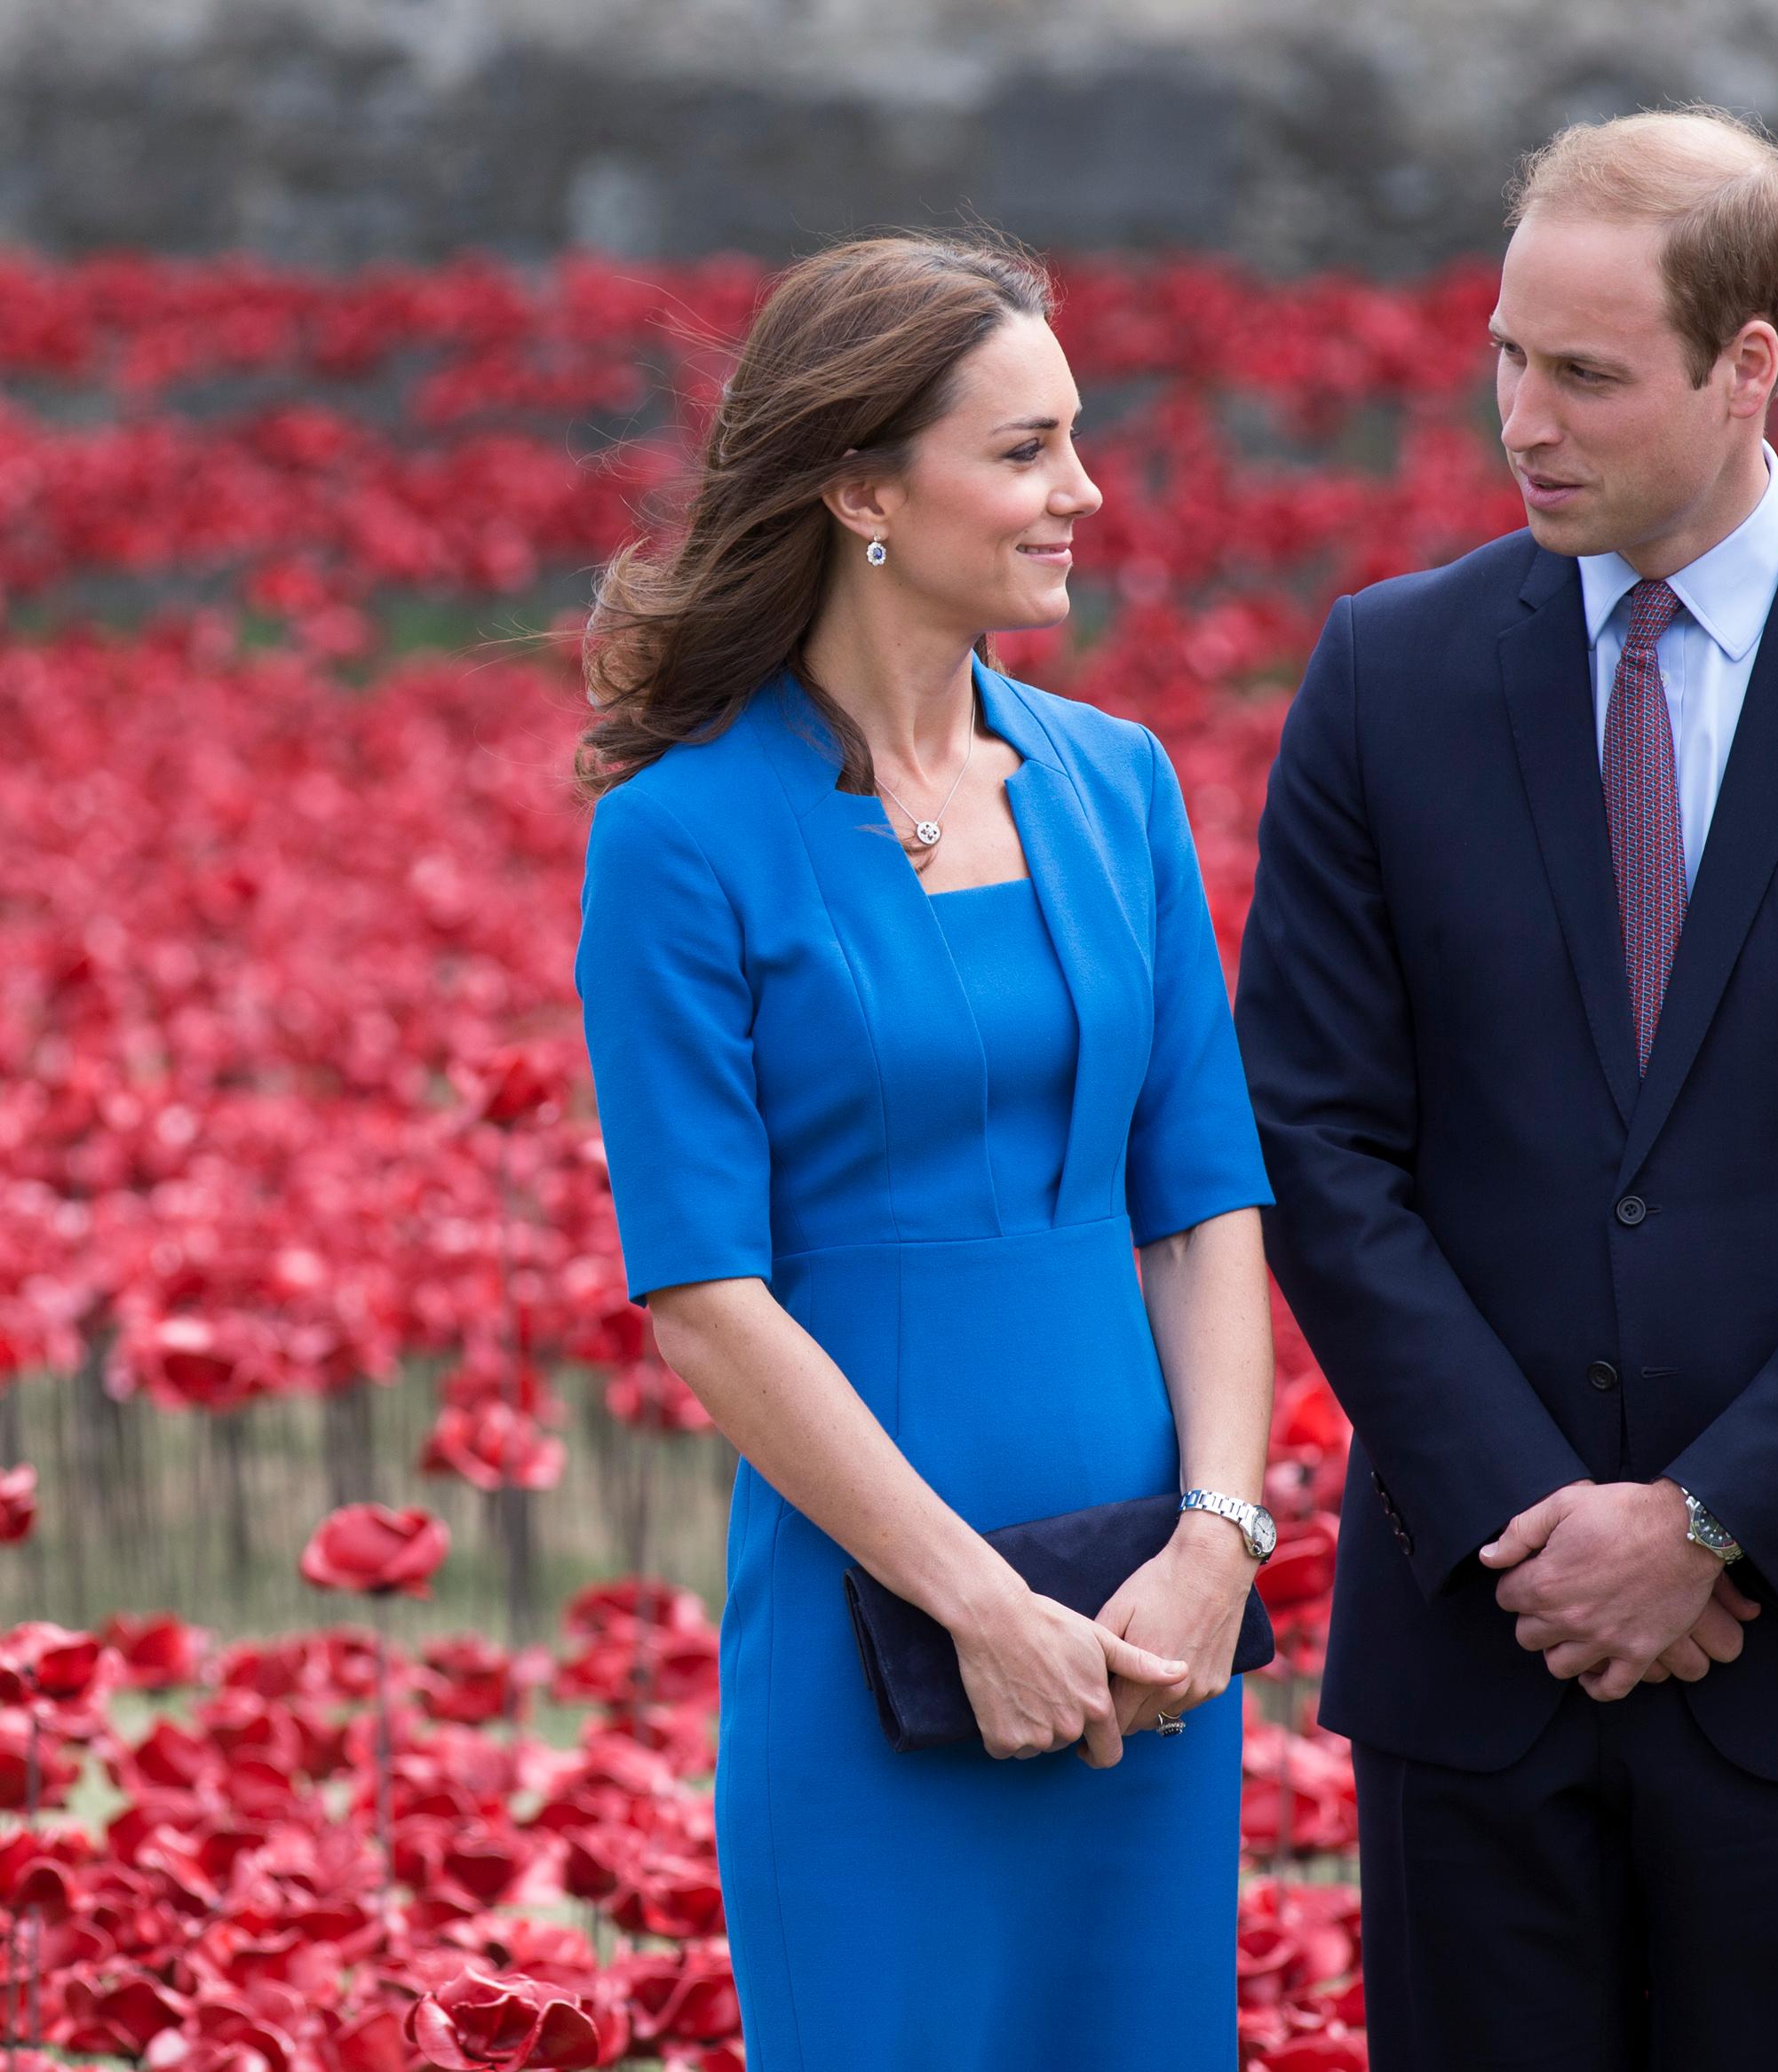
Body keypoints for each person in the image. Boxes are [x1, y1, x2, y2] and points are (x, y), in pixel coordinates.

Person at [1235, 108, 1778, 2068]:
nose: (1519, 421)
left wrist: (1707, 1523)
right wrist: (1534, 1521)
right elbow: (1309, 1130)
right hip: (1478, 1625)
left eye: (1582, 373)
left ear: (1747, 369)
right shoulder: (1386, 671)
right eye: (1501, 354)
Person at [572, 231, 1280, 2068]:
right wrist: (975, 1604)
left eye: (1077, 440)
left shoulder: (1119, 780)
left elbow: (1203, 1203)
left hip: (1145, 1628)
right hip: (876, 1624)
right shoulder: (681, 838)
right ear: (862, 488)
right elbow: (703, 1295)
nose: (1084, 493)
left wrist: (1216, 1539)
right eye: (1026, 449)